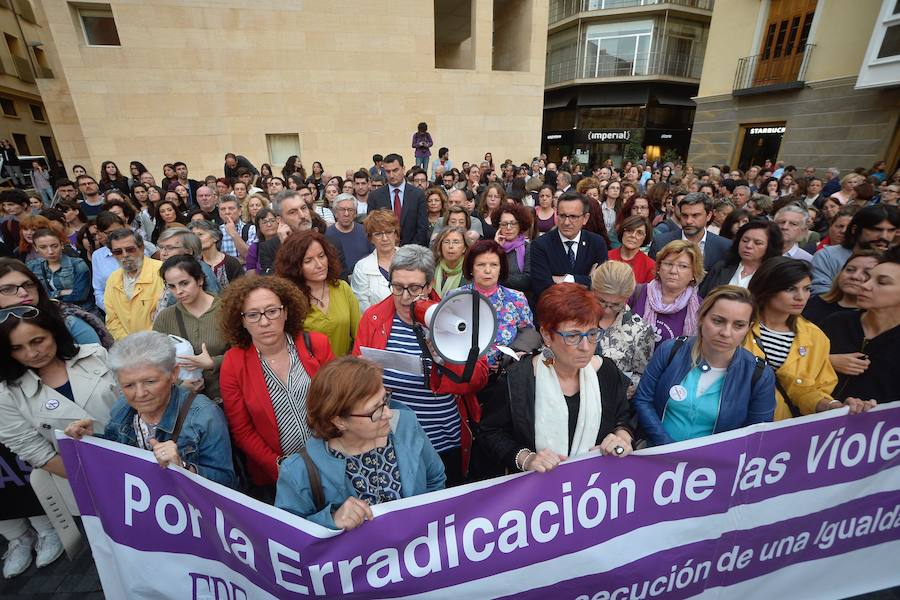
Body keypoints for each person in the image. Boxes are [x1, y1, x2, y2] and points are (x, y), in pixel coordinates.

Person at [352, 245, 488, 484]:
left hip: (445, 441)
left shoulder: (452, 317)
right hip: (393, 441)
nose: (404, 297)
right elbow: (356, 385)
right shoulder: (373, 319)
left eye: (414, 288)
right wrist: (364, 377)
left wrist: (446, 358)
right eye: (397, 287)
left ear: (429, 286)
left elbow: (478, 379)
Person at [0, 306, 119, 578]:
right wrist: (100, 481)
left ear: (54, 331)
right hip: (87, 487)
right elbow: (36, 452)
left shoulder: (96, 356)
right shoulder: (6, 395)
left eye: (37, 340)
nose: (32, 353)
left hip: (141, 469)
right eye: (17, 348)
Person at [478, 283, 634, 475]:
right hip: (540, 498)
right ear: (546, 335)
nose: (586, 346)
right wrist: (527, 459)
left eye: (592, 334)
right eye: (573, 336)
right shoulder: (518, 380)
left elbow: (623, 416)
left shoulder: (605, 371)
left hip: (596, 491)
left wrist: (622, 437)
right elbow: (491, 432)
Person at [275, 356, 445, 529]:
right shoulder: (299, 471)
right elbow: (287, 536)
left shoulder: (406, 426)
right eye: (374, 410)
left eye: (384, 400)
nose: (388, 413)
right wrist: (331, 521)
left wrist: (424, 526)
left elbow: (435, 479)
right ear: (339, 421)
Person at [64, 331, 236, 488]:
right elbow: (117, 453)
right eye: (129, 385)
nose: (140, 394)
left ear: (173, 374)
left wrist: (183, 468)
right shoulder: (122, 407)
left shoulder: (205, 415)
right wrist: (90, 439)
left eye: (150, 382)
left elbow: (227, 482)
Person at [219, 276, 335, 494]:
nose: (264, 322)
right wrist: (282, 467)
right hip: (276, 477)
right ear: (241, 320)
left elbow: (339, 401)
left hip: (331, 463)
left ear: (286, 311)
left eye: (272, 311)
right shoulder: (233, 363)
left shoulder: (316, 345)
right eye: (253, 315)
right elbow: (242, 430)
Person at [633, 286, 776, 446]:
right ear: (701, 318)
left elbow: (756, 434)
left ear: (749, 328)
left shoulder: (759, 374)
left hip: (714, 468)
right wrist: (666, 446)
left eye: (739, 325)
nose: (726, 332)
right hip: (656, 456)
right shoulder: (671, 350)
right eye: (718, 321)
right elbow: (643, 399)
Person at [744, 257, 845, 419]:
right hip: (731, 424)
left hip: (779, 429)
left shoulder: (815, 337)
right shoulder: (739, 324)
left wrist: (830, 405)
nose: (801, 297)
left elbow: (812, 391)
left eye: (806, 289)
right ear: (767, 288)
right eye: (791, 289)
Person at [821, 247, 900, 405]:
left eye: (882, 282)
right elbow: (796, 370)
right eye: (867, 278)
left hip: (882, 427)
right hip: (819, 421)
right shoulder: (836, 322)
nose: (865, 285)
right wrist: (826, 361)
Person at [152, 256, 227, 400]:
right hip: (187, 403)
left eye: (184, 283)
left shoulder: (227, 310)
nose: (178, 291)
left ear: (200, 280)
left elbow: (247, 352)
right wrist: (179, 383)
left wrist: (213, 362)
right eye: (172, 286)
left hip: (228, 395)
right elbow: (155, 361)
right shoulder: (165, 317)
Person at [275, 231, 360, 357]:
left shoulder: (342, 288)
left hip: (342, 370)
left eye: (321, 256)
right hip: (306, 373)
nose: (319, 265)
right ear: (294, 266)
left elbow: (360, 333)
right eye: (308, 261)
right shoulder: (287, 298)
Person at [457, 240, 535, 368]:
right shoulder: (455, 298)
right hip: (463, 373)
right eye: (481, 265)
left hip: (504, 376)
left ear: (501, 268)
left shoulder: (517, 298)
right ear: (471, 268)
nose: (488, 270)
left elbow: (529, 336)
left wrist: (508, 359)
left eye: (494, 265)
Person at [0, 258, 110, 346]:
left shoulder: (68, 321)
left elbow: (98, 361)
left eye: (28, 285)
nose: (23, 292)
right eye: (8, 289)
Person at [591, 261, 654, 396]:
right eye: (601, 301)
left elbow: (642, 373)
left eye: (615, 305)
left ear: (627, 297)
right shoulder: (575, 316)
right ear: (593, 290)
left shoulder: (639, 330)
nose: (607, 310)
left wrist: (631, 386)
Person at [530, 193, 609, 298]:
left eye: (573, 216)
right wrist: (586, 281)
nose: (566, 222)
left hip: (588, 310)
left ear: (585, 218)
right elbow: (541, 287)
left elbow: (602, 284)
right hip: (553, 309)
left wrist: (566, 279)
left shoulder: (596, 243)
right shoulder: (540, 245)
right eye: (562, 216)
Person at [810, 204, 899, 294]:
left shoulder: (895, 261)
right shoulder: (827, 256)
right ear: (855, 229)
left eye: (891, 230)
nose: (884, 236)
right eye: (876, 230)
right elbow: (820, 293)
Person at [629, 240, 704, 344]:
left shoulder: (700, 307)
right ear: (659, 267)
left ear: (693, 273)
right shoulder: (637, 293)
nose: (673, 271)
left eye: (683, 266)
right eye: (668, 264)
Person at [104, 229, 164, 339]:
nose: (125, 255)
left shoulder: (161, 271)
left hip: (159, 343)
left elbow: (166, 316)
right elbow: (112, 320)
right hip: (129, 348)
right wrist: (130, 343)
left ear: (141, 248)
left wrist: (144, 342)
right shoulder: (113, 279)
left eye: (130, 249)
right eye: (118, 252)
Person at [649, 192, 731, 270]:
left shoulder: (724, 247)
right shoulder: (661, 243)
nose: (689, 221)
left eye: (695, 215)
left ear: (708, 216)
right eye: (684, 215)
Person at [700, 220, 784, 295]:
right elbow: (701, 298)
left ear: (770, 246)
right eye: (745, 240)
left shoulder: (774, 275)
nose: (749, 246)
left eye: (757, 243)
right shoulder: (721, 267)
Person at [802, 250, 881, 325]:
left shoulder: (874, 319)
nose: (855, 276)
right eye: (850, 270)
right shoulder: (812, 303)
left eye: (867, 273)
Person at [26, 228, 95, 313]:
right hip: (50, 314)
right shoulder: (32, 266)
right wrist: (60, 293)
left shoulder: (77, 264)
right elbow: (33, 295)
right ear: (35, 248)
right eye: (43, 247)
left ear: (61, 245)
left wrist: (49, 297)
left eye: (54, 246)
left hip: (81, 311)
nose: (50, 251)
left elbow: (79, 296)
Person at [367, 153, 429, 246]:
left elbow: (422, 228)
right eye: (388, 171)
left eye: (395, 170)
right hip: (384, 250)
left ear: (403, 169)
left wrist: (409, 252)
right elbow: (372, 228)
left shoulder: (418, 195)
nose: (391, 175)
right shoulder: (375, 196)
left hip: (412, 252)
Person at [351, 209, 398, 311]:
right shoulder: (362, 267)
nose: (385, 238)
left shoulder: (411, 258)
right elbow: (362, 306)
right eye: (378, 234)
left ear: (395, 234)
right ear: (371, 238)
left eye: (389, 232)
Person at [259, 189, 314, 275]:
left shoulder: (326, 238)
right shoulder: (268, 248)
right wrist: (286, 248)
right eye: (292, 212)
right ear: (280, 220)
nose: (302, 215)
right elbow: (270, 282)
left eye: (303, 208)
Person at [325, 193, 372, 278]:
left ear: (355, 213)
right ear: (335, 213)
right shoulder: (327, 235)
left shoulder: (365, 231)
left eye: (350, 210)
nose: (346, 214)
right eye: (342, 209)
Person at [188, 220, 244, 288]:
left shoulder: (231, 263)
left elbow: (241, 289)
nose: (196, 239)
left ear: (215, 238)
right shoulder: (194, 264)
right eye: (194, 236)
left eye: (200, 234)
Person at [492, 203, 532, 293]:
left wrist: (497, 278)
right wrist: (496, 248)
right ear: (499, 227)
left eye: (513, 223)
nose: (508, 228)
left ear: (520, 225)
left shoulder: (528, 248)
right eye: (504, 224)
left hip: (520, 299)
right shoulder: (492, 248)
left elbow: (526, 280)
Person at [608, 216, 655, 284]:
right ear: (622, 232)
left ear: (645, 237)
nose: (633, 235)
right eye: (629, 230)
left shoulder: (650, 266)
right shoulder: (605, 257)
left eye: (639, 233)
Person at [431, 226, 469, 297]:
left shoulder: (470, 271)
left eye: (456, 242)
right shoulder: (432, 266)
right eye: (446, 242)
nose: (450, 246)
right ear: (440, 246)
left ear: (464, 248)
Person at [245, 207, 278, 274]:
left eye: (272, 221)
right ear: (259, 227)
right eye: (264, 222)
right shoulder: (255, 248)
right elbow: (251, 276)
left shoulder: (285, 241)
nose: (269, 225)